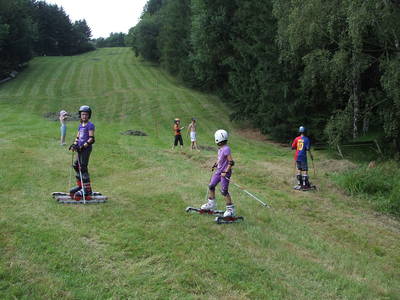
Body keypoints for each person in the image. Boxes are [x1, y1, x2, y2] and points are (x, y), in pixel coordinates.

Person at [201, 129, 236, 217]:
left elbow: (231, 162)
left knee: (224, 191)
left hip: (225, 173)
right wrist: (216, 164)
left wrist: (225, 171)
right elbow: (220, 159)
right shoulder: (220, 149)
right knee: (211, 185)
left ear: (217, 139)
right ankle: (211, 203)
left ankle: (230, 209)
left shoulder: (226, 149)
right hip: (219, 171)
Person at [68, 105, 95, 199]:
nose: (84, 116)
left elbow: (91, 139)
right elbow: (78, 137)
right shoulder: (80, 126)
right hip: (80, 149)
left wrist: (83, 147)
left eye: (86, 114)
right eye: (82, 114)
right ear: (80, 115)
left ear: (89, 115)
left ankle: (87, 190)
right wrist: (74, 144)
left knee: (83, 167)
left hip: (86, 149)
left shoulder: (90, 125)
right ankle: (80, 185)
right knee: (76, 165)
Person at [291, 126, 312, 190]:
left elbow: (292, 147)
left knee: (299, 169)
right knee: (305, 170)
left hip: (297, 156)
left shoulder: (296, 138)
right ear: (305, 132)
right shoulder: (306, 139)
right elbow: (308, 149)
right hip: (303, 157)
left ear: (299, 132)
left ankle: (299, 184)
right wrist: (311, 155)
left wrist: (296, 148)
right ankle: (304, 185)